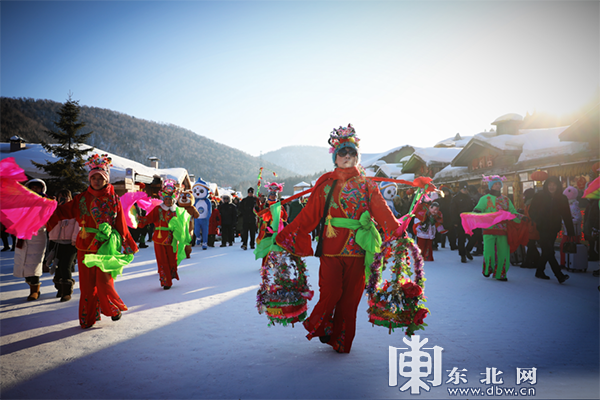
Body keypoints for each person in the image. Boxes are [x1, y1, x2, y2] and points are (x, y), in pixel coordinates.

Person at [275, 124, 402, 353]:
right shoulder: (326, 184)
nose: (347, 157)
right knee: (331, 292)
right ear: (335, 157)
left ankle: (342, 341)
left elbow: (382, 210)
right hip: (331, 249)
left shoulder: (367, 185)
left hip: (359, 248)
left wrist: (395, 230)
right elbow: (309, 215)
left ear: (357, 156)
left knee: (350, 299)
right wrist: (286, 235)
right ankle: (321, 326)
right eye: (342, 153)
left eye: (352, 153)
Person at [47, 154, 138, 327]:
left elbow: (121, 224)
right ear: (89, 179)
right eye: (93, 177)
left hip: (106, 246)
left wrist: (128, 243)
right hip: (85, 246)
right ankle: (88, 318)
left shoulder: (113, 199)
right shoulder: (81, 199)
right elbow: (62, 212)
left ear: (106, 179)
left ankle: (112, 308)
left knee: (104, 282)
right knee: (87, 286)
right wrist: (47, 208)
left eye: (100, 178)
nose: (96, 181)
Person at [139, 179, 191, 289]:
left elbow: (183, 223)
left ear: (174, 200)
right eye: (166, 199)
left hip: (172, 239)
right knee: (162, 260)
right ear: (163, 199)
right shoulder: (158, 209)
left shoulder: (177, 210)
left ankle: (171, 275)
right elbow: (148, 219)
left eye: (170, 199)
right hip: (159, 238)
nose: (168, 201)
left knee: (172, 259)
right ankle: (166, 281)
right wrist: (138, 219)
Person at [473, 175, 519, 281]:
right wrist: (477, 211)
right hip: (488, 228)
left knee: (503, 252)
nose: (498, 186)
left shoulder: (506, 199)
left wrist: (520, 218)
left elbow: (512, 212)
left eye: (499, 184)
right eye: (495, 184)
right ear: (491, 186)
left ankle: (501, 274)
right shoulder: (484, 198)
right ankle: (488, 269)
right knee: (488, 251)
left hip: (503, 230)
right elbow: (478, 208)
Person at [529, 176, 575, 283]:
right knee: (549, 251)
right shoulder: (539, 196)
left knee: (546, 251)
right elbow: (532, 211)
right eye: (550, 185)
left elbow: (566, 215)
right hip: (542, 228)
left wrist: (570, 230)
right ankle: (559, 275)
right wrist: (538, 220)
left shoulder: (562, 198)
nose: (552, 187)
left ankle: (539, 271)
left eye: (554, 185)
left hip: (554, 228)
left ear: (558, 186)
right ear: (546, 186)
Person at [13, 179, 48, 301]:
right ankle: (31, 283)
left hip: (37, 235)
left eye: (37, 188)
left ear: (42, 189)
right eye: (32, 187)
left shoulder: (45, 202)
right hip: (23, 235)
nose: (35, 190)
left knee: (34, 264)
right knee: (24, 264)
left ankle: (34, 290)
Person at [47, 189, 79, 301]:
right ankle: (59, 288)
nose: (64, 199)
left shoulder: (74, 209)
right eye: (61, 197)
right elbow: (48, 223)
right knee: (57, 268)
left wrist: (74, 239)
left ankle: (67, 291)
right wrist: (54, 209)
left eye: (66, 197)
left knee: (65, 266)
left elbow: (77, 225)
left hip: (70, 244)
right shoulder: (53, 209)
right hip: (56, 243)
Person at [450, 184, 475, 263]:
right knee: (461, 239)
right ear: (460, 189)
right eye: (464, 189)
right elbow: (453, 210)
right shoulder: (456, 198)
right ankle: (462, 255)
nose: (466, 191)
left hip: (470, 220)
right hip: (460, 221)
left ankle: (467, 250)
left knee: (473, 237)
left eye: (467, 189)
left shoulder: (470, 197)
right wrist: (455, 221)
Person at [559, 186, 582, 268]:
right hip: (568, 230)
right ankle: (566, 263)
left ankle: (568, 263)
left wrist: (567, 221)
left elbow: (578, 218)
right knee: (564, 246)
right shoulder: (570, 205)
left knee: (565, 246)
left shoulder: (574, 206)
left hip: (573, 231)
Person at [520, 188, 540, 269]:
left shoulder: (531, 203)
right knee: (531, 244)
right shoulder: (530, 203)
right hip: (531, 226)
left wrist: (524, 216)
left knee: (530, 244)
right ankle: (534, 260)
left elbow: (530, 215)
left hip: (532, 226)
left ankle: (530, 261)